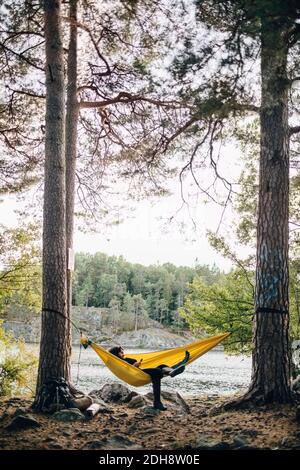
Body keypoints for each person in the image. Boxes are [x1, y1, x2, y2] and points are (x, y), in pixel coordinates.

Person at [108, 345, 189, 411]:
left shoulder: (125, 359)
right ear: (116, 354)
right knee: (157, 371)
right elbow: (125, 370)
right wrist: (133, 366)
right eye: (121, 353)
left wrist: (136, 365)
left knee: (160, 368)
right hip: (136, 375)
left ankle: (158, 402)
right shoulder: (119, 362)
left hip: (140, 373)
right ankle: (157, 402)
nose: (123, 354)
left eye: (123, 352)